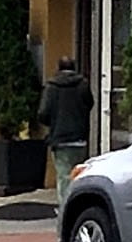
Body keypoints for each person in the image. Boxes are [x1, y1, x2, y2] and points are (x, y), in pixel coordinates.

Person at [39, 56, 94, 205]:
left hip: (60, 139)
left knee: (64, 176)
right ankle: (79, 205)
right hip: (79, 137)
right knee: (79, 174)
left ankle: (65, 208)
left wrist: (53, 123)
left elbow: (43, 113)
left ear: (59, 67)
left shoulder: (51, 87)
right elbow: (90, 104)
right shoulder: (83, 84)